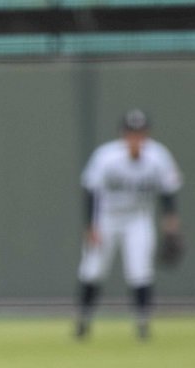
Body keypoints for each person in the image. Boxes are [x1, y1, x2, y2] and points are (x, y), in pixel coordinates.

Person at [74, 109, 183, 340]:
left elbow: (168, 192)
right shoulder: (106, 156)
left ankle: (142, 324)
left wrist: (171, 223)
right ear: (122, 134)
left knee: (140, 270)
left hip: (138, 218)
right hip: (106, 218)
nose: (135, 138)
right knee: (92, 269)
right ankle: (83, 320)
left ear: (147, 134)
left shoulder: (158, 156)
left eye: (140, 133)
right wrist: (90, 226)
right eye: (131, 133)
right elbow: (91, 190)